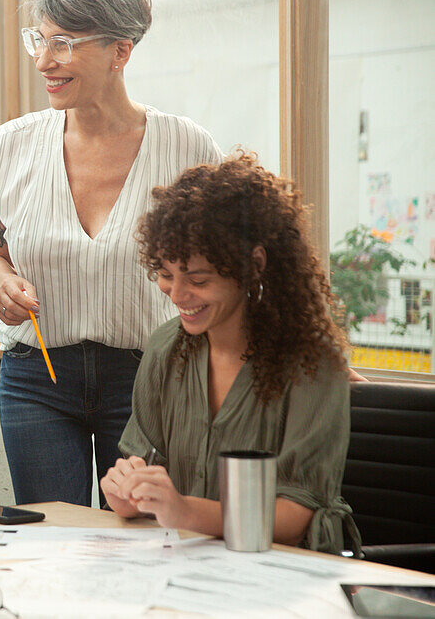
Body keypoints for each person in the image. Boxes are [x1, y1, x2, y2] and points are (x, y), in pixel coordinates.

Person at [0, 0, 222, 506]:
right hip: (35, 379)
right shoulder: (8, 147)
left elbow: (229, 273)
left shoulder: (188, 149)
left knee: (141, 536)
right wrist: (1, 285)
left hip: (150, 378)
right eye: (39, 41)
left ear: (120, 52)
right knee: (50, 544)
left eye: (64, 44)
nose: (44, 61)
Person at [101, 154, 358, 554]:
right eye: (167, 276)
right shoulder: (166, 349)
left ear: (253, 265)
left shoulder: (311, 361)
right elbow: (144, 467)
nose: (178, 295)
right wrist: (127, 493)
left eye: (198, 280)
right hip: (189, 567)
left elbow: (292, 519)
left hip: (287, 577)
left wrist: (184, 511)